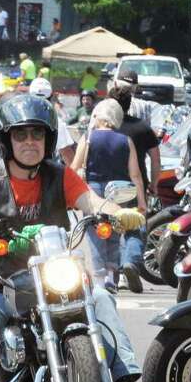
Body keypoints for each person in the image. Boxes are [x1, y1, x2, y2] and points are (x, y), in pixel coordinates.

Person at [0, 95, 160, 382]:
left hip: (54, 278)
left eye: (37, 134)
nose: (30, 142)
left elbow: (89, 201)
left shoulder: (60, 175)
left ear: (48, 140)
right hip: (2, 283)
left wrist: (115, 212)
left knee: (100, 297)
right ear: (7, 140)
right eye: (21, 135)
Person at [69, 99, 147, 292]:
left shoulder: (88, 138)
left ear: (99, 117)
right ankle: (113, 274)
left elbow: (75, 167)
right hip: (119, 191)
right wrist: (141, 201)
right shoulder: (126, 140)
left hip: (93, 190)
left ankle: (99, 277)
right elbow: (135, 174)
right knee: (115, 231)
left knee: (94, 233)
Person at [109, 83, 161, 292]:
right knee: (135, 230)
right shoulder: (142, 127)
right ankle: (130, 263)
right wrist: (155, 184)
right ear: (130, 104)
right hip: (135, 186)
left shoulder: (105, 128)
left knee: (111, 231)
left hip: (108, 188)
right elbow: (156, 160)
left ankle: (114, 275)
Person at [27, 77, 76, 164]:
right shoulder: (56, 121)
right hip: (47, 173)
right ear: (51, 97)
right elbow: (67, 154)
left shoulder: (20, 118)